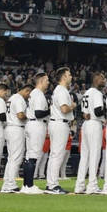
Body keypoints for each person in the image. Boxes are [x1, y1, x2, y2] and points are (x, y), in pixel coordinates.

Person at [74, 72, 106, 195]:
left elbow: (84, 113)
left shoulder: (87, 93)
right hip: (94, 124)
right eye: (101, 78)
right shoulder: (97, 93)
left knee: (85, 156)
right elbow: (98, 112)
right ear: (95, 79)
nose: (104, 80)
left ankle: (79, 185)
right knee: (94, 156)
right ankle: (92, 185)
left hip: (86, 125)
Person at [46, 67, 75, 195]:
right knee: (57, 155)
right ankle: (53, 185)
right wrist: (73, 106)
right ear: (63, 77)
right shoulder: (62, 90)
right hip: (59, 123)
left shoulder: (59, 90)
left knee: (54, 155)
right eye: (69, 75)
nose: (71, 77)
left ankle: (51, 183)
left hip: (56, 123)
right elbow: (64, 109)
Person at [21, 72, 50, 195]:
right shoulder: (38, 94)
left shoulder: (34, 93)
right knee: (32, 157)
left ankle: (26, 185)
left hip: (30, 124)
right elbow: (39, 113)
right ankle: (29, 185)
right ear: (41, 80)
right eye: (47, 80)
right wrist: (51, 110)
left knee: (29, 156)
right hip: (36, 124)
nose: (48, 82)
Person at [1, 82, 31, 193]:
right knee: (16, 158)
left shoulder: (12, 98)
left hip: (10, 128)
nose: (29, 96)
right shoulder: (19, 99)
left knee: (11, 158)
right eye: (29, 93)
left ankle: (7, 183)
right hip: (16, 128)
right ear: (26, 90)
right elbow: (20, 115)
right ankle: (10, 184)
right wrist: (30, 116)